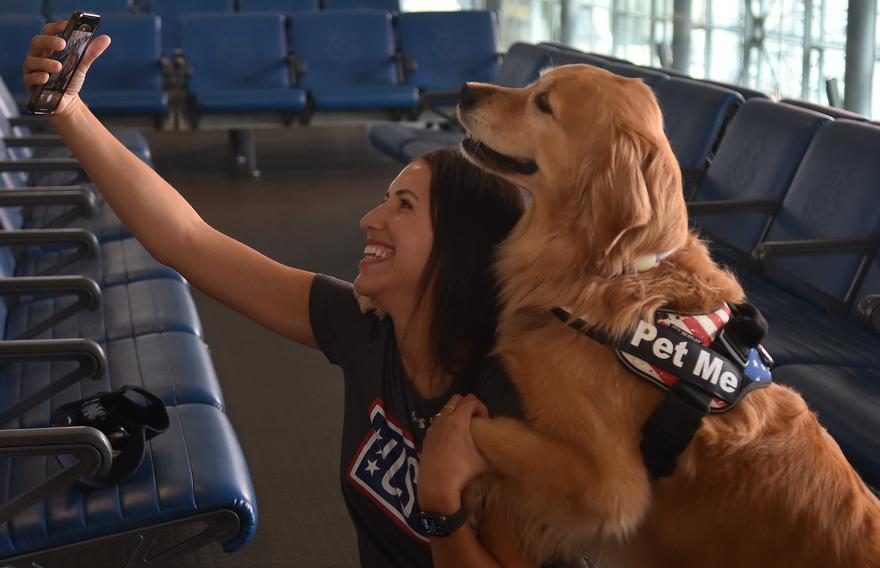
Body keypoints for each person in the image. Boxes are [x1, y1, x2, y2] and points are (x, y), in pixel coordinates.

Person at [22, 23, 538, 568]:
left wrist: (440, 507)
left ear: (460, 245)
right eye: (384, 200)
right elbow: (188, 240)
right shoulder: (365, 329)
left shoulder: (509, 403)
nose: (370, 219)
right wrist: (70, 112)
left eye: (403, 206)